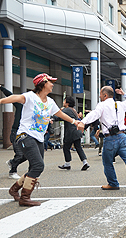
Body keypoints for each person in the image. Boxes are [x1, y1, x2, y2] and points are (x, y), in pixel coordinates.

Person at [2, 73, 79, 206]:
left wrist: (75, 122)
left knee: (34, 167)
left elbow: (60, 114)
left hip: (38, 138)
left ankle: (14, 189)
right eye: (50, 81)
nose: (53, 84)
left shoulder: (50, 102)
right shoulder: (30, 97)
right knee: (38, 165)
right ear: (42, 83)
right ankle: (25, 198)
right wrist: (1, 101)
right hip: (25, 136)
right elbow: (15, 97)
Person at [77, 86, 126, 193]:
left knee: (107, 162)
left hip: (109, 138)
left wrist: (83, 122)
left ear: (105, 95)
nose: (99, 96)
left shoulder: (102, 105)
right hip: (122, 136)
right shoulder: (120, 105)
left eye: (100, 94)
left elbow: (94, 114)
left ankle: (113, 183)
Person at [54, 96, 89, 171]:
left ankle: (67, 164)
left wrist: (52, 118)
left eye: (64, 101)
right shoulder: (73, 110)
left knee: (66, 148)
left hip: (70, 132)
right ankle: (85, 162)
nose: (63, 102)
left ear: (67, 103)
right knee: (78, 147)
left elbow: (58, 117)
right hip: (77, 131)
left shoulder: (66, 110)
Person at [1, 85, 27, 179]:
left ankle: (12, 162)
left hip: (25, 134)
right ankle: (12, 172)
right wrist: (1, 88)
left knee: (27, 155)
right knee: (19, 154)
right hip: (16, 132)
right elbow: (10, 95)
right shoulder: (20, 105)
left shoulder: (33, 109)